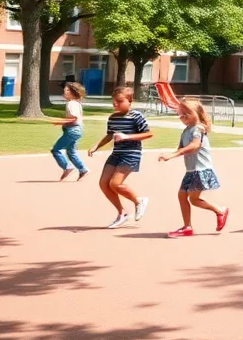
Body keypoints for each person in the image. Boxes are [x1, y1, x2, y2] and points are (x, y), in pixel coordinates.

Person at [159, 98, 228, 238]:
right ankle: (187, 227)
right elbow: (181, 148)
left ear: (197, 113)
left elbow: (195, 145)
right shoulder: (186, 131)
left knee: (193, 199)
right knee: (183, 196)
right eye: (181, 114)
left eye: (187, 113)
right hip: (191, 170)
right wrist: (170, 154)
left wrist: (173, 155)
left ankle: (220, 211)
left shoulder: (198, 128)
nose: (183, 117)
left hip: (201, 170)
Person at [87, 86, 153, 229]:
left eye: (119, 101)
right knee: (104, 183)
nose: (115, 104)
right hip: (116, 153)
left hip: (131, 153)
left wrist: (127, 136)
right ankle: (122, 213)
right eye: (113, 102)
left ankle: (138, 201)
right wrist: (96, 146)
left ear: (130, 101)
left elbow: (148, 134)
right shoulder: (112, 118)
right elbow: (109, 135)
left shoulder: (136, 116)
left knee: (115, 184)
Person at [51, 81, 89, 181]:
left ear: (73, 93)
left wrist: (60, 122)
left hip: (73, 130)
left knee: (55, 150)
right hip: (77, 130)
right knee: (71, 152)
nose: (64, 90)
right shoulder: (77, 103)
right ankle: (82, 169)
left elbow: (74, 118)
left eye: (67, 90)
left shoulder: (71, 103)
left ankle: (67, 167)